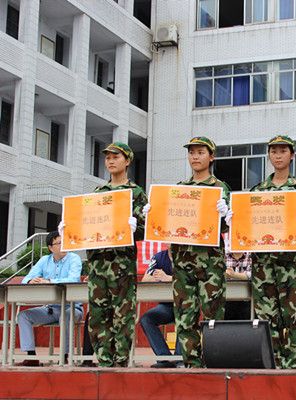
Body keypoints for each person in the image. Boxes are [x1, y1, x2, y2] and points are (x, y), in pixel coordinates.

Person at [229, 135, 296, 369]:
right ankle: (273, 362)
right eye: (274, 151)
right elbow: (247, 226)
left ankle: (291, 363)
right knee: (267, 316)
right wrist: (234, 221)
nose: (278, 156)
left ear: (292, 155)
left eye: (283, 151)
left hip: (292, 264)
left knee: (293, 316)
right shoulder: (258, 191)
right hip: (263, 265)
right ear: (268, 156)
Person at [62, 141, 147, 368]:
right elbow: (86, 226)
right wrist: (69, 229)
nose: (110, 161)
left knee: (123, 313)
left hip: (122, 264)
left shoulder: (136, 193)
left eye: (116, 157)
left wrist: (135, 227)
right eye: (108, 157)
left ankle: (120, 361)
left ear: (127, 161)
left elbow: (145, 229)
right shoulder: (98, 194)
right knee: (98, 314)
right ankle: (104, 360)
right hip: (98, 263)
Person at [161, 136, 229, 368]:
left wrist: (226, 214)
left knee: (213, 315)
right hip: (182, 263)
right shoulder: (179, 190)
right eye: (192, 153)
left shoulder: (220, 188)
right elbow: (168, 224)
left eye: (201, 152)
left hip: (210, 264)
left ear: (211, 157)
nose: (195, 157)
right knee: (184, 317)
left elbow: (228, 226)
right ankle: (192, 364)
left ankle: (214, 363)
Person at [17, 231, 83, 367]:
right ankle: (31, 356)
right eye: (59, 243)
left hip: (72, 308)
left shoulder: (74, 258)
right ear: (50, 248)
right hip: (50, 309)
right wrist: (31, 281)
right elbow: (26, 278)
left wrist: (49, 281)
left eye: (64, 242)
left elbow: (73, 279)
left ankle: (64, 356)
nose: (63, 245)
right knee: (23, 316)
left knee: (65, 316)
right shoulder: (44, 260)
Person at [139, 246, 182, 368]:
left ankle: (180, 359)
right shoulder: (158, 257)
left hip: (185, 305)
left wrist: (168, 278)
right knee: (146, 319)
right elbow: (145, 279)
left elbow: (193, 279)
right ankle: (164, 358)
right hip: (166, 306)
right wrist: (157, 277)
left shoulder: (187, 256)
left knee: (186, 317)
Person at [224, 251, 252, 321]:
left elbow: (251, 275)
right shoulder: (224, 256)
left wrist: (233, 275)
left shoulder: (250, 256)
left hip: (247, 298)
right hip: (226, 298)